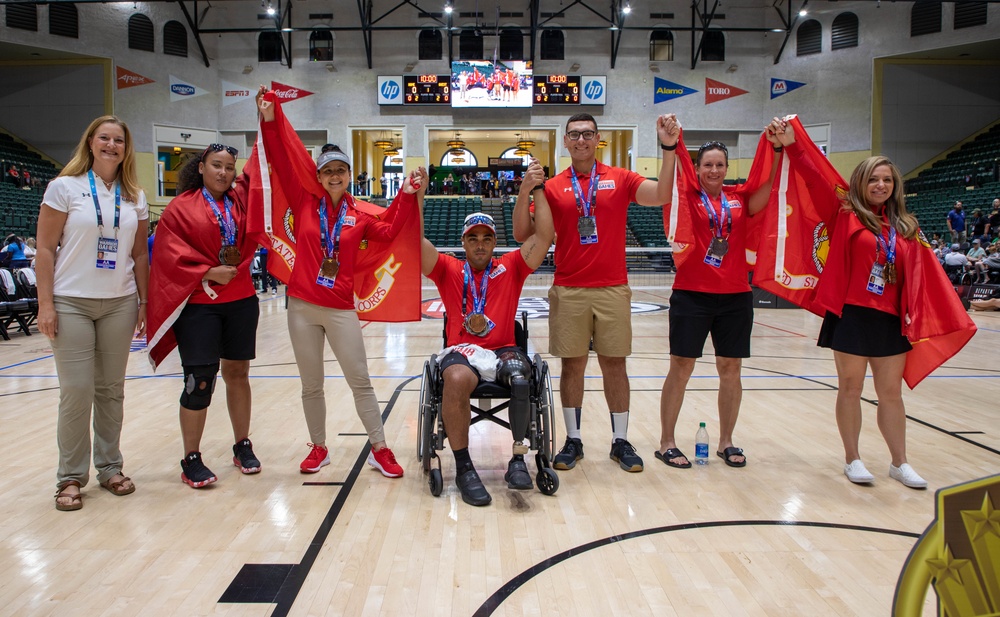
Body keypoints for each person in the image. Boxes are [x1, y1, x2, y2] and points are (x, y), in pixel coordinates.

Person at [257, 91, 418, 478]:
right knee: (311, 384)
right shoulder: (303, 201)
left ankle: (380, 448)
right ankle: (319, 447)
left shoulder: (359, 214)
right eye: (327, 171)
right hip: (302, 306)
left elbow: (391, 229)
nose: (334, 177)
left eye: (340, 171)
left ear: (348, 176)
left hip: (342, 307)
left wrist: (406, 195)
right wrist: (268, 119)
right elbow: (280, 157)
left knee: (359, 380)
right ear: (319, 176)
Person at [512, 113, 679, 473]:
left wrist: (668, 148)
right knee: (572, 367)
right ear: (566, 141)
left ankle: (620, 441)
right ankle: (574, 440)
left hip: (613, 289)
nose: (581, 140)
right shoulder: (553, 187)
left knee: (614, 365)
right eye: (574, 134)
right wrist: (526, 189)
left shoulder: (620, 178)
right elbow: (522, 233)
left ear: (598, 138)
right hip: (569, 289)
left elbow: (663, 194)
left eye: (588, 133)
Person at [772, 123, 934, 489]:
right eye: (874, 179)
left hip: (891, 319)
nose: (880, 186)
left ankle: (899, 462)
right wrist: (793, 145)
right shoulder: (845, 214)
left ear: (895, 186)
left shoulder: (906, 226)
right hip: (851, 314)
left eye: (887, 180)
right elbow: (814, 179)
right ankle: (853, 458)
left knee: (891, 393)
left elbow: (923, 276)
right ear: (860, 183)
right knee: (850, 387)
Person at [421, 161, 554, 506]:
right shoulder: (448, 269)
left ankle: (518, 459)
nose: (480, 244)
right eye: (473, 238)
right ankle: (465, 467)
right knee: (454, 378)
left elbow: (544, 236)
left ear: (495, 242)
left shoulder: (511, 266)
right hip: (462, 351)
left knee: (522, 379)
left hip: (504, 348)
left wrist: (533, 188)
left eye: (487, 238)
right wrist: (417, 198)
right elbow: (413, 242)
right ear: (463, 242)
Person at [653, 117, 782, 469]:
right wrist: (670, 142)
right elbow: (674, 173)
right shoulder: (685, 197)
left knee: (731, 368)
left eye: (720, 165)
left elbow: (767, 191)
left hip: (736, 296)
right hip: (692, 295)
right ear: (697, 168)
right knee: (681, 367)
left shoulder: (739, 198)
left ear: (727, 168)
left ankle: (726, 441)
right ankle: (666, 441)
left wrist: (777, 147)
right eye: (707, 164)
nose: (714, 170)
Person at [36, 115, 149, 510]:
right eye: (104, 138)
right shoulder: (63, 188)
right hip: (71, 301)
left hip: (119, 302)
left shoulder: (135, 194)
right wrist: (45, 304)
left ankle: (110, 467)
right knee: (77, 390)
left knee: (110, 391)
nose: (111, 145)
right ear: (90, 143)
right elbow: (46, 250)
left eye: (119, 140)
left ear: (126, 148)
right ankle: (69, 477)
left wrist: (144, 302)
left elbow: (139, 255)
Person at [147, 139, 269, 488]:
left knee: (238, 373)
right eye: (216, 165)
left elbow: (258, 166)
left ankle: (242, 444)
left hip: (241, 300)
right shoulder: (179, 208)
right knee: (199, 381)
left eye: (229, 167)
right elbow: (168, 257)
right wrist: (205, 272)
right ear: (201, 168)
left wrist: (266, 118)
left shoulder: (240, 200)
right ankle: (191, 458)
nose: (224, 172)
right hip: (200, 306)